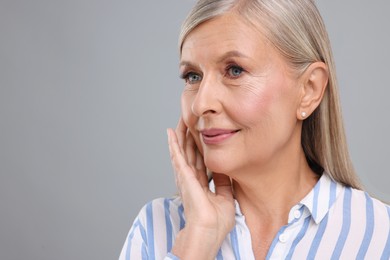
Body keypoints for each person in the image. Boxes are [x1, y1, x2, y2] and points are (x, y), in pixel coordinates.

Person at [119, 0, 390, 259]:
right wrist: (196, 243)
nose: (201, 104)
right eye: (193, 76)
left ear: (309, 90)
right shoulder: (155, 229)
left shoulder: (380, 236)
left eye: (234, 71)